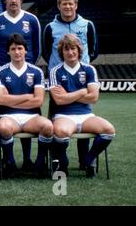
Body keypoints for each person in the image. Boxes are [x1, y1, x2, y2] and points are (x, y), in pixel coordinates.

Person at [43, 0, 98, 170]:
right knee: (57, 120)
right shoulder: (50, 27)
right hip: (58, 79)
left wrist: (80, 66)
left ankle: (85, 160)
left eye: (71, 4)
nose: (67, 7)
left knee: (82, 115)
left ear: (76, 5)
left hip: (81, 76)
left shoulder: (87, 24)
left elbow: (94, 50)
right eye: (64, 4)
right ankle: (59, 158)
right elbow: (45, 52)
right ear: (59, 6)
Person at [0, 0, 41, 171]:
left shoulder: (32, 20)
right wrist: (1, 69)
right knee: (4, 117)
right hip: (4, 73)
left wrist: (29, 66)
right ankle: (7, 160)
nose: (13, 0)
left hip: (26, 71)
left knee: (29, 115)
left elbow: (37, 46)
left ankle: (27, 159)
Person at [49, 34, 115, 178]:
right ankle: (63, 161)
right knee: (60, 132)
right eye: (66, 49)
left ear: (79, 50)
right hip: (64, 115)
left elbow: (94, 97)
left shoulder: (89, 69)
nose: (70, 52)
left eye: (73, 48)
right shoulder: (55, 71)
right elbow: (59, 101)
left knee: (109, 130)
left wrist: (68, 95)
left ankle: (88, 159)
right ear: (62, 52)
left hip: (86, 116)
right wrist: (82, 91)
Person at [0, 33, 53, 178]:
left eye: (20, 48)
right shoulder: (0, 72)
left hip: (32, 117)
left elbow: (39, 101)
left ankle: (38, 163)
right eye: (13, 49)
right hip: (8, 115)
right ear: (8, 51)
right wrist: (27, 96)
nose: (17, 52)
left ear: (26, 50)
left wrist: (12, 99)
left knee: (47, 126)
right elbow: (2, 100)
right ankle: (11, 163)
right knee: (4, 127)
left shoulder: (36, 71)